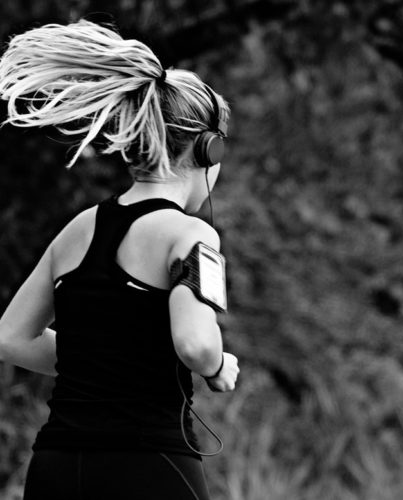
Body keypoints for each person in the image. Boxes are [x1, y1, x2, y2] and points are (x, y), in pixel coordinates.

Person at [0, 19, 239, 500]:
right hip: (149, 464)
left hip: (59, 468)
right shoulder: (194, 235)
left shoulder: (78, 228)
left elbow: (10, 338)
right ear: (207, 148)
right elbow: (194, 343)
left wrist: (101, 362)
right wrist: (217, 368)